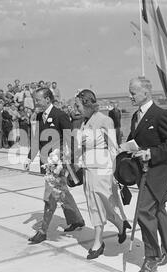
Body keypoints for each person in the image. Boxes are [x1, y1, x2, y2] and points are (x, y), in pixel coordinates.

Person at [126, 76, 167, 272]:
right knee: (158, 210)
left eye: (133, 92)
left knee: (143, 212)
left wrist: (150, 153)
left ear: (145, 93)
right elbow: (135, 141)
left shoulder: (160, 115)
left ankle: (151, 257)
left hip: (157, 173)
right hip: (142, 172)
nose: (130, 96)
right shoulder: (135, 116)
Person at [74, 89, 131, 259]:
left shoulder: (105, 120)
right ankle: (120, 225)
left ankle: (98, 242)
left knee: (101, 203)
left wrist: (116, 173)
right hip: (88, 170)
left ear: (87, 103)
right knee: (95, 205)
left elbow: (113, 147)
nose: (76, 109)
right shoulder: (84, 123)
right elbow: (82, 147)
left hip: (102, 170)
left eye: (78, 105)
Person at [24, 87, 85, 244]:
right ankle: (76, 220)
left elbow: (70, 139)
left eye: (38, 99)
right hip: (46, 162)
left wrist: (71, 159)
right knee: (62, 191)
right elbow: (37, 139)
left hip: (57, 163)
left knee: (49, 196)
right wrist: (29, 158)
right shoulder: (38, 116)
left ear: (47, 99)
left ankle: (43, 231)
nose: (35, 102)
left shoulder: (60, 115)